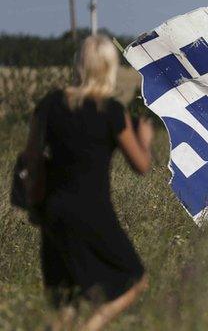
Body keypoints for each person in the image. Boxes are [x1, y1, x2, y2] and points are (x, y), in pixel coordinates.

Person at [23, 35, 152, 331]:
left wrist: (34, 200)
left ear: (79, 64)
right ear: (109, 67)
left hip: (53, 211)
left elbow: (31, 156)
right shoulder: (111, 112)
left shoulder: (49, 104)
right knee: (135, 279)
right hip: (93, 212)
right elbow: (141, 166)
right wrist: (144, 139)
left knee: (63, 305)